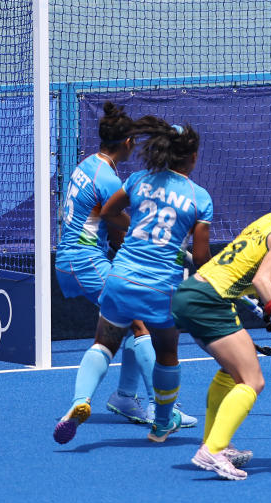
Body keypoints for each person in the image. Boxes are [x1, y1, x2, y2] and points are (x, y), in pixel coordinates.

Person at [54, 118, 212, 445]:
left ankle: (93, 399)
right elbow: (200, 259)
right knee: (160, 344)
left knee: (106, 340)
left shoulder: (133, 179)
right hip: (148, 282)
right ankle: (162, 414)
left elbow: (109, 213)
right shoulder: (199, 198)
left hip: (118, 273)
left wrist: (141, 226)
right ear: (193, 157)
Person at [171, 175, 271, 480]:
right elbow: (262, 280)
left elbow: (250, 273)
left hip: (191, 292)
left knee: (232, 372)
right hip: (210, 300)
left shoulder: (267, 220)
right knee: (253, 380)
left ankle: (216, 442)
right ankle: (212, 450)